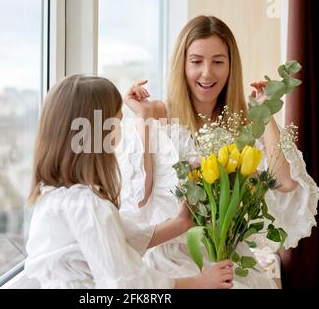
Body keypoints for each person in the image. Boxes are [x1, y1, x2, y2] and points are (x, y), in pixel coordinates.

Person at [120, 15, 319, 288]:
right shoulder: (156, 114)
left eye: (218, 62)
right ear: (182, 65)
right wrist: (143, 118)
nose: (207, 73)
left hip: (227, 260)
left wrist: (264, 114)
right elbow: (139, 198)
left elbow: (284, 183)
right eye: (196, 62)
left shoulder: (243, 122)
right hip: (172, 261)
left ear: (230, 66)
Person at [24, 74, 234, 289]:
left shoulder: (57, 195)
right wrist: (198, 282)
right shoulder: (87, 205)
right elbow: (128, 285)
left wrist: (181, 221)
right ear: (99, 132)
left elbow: (125, 238)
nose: (121, 129)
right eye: (117, 120)